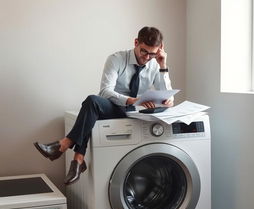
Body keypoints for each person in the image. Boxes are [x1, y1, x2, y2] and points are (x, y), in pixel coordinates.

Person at [34, 26, 174, 185]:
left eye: (152, 53)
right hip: (115, 107)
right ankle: (77, 158)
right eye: (144, 51)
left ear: (159, 50)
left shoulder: (155, 64)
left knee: (88, 112)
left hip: (136, 113)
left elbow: (166, 96)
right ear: (136, 42)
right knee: (92, 101)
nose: (147, 57)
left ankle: (69, 150)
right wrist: (130, 100)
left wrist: (163, 65)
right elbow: (105, 91)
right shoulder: (116, 59)